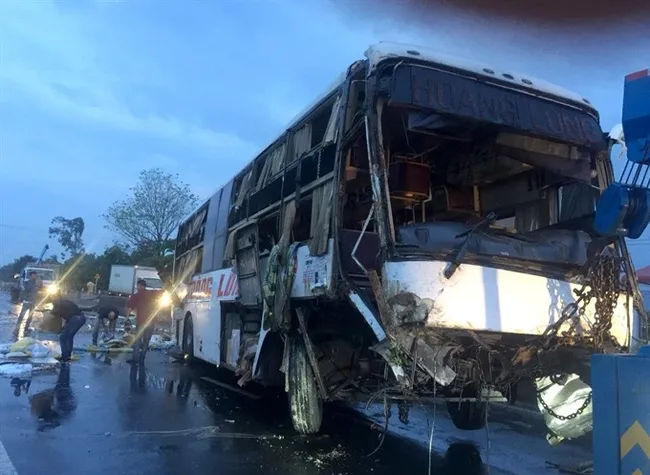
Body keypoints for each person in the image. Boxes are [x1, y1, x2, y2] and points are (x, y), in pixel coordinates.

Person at [126, 278, 180, 365]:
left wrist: (127, 318)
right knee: (146, 341)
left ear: (140, 286)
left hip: (141, 321)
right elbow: (163, 291)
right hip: (151, 322)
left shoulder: (136, 295)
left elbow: (129, 308)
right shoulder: (152, 293)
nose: (137, 287)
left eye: (137, 285)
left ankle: (135, 359)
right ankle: (142, 358)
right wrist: (168, 284)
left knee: (137, 340)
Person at [49, 297, 87, 362]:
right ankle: (68, 356)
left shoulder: (59, 305)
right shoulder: (65, 302)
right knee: (69, 337)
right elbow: (68, 319)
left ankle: (65, 356)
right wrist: (63, 328)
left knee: (62, 338)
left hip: (76, 319)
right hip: (81, 318)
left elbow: (53, 313)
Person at [13, 271, 43, 338]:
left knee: (30, 317)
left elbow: (40, 288)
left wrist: (39, 284)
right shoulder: (27, 282)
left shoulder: (36, 283)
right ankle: (16, 330)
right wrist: (21, 298)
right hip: (27, 302)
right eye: (33, 275)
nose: (34, 276)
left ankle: (26, 328)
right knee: (21, 316)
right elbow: (25, 290)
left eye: (35, 275)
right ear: (30, 276)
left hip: (33, 302)